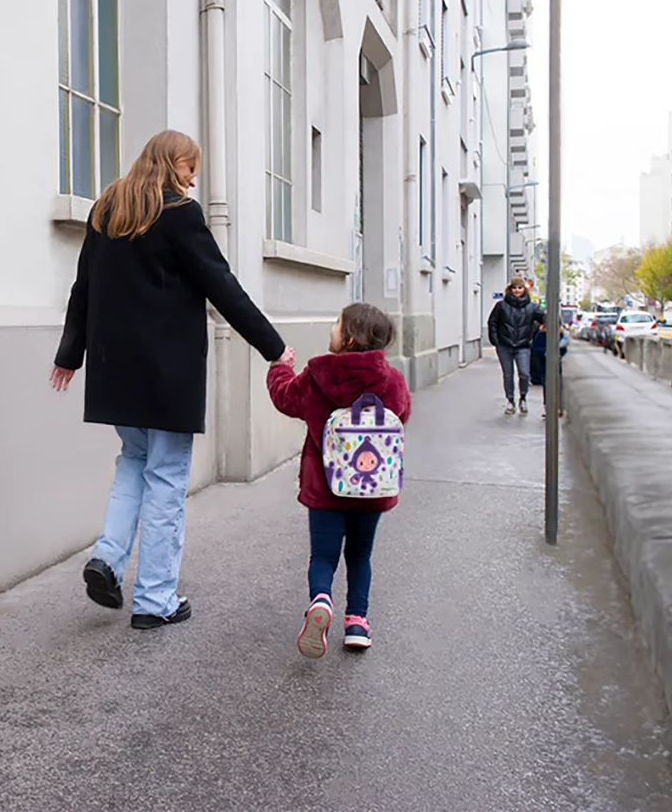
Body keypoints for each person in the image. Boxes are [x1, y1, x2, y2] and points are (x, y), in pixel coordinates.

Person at [51, 130, 287, 631]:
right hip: (167, 373)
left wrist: (70, 355)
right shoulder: (179, 213)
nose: (193, 177)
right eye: (188, 166)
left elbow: (83, 288)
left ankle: (109, 559)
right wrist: (273, 346)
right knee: (166, 479)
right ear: (170, 163)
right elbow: (221, 284)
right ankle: (155, 599)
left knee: (133, 462)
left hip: (116, 372)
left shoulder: (106, 211)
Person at [265, 303, 412, 658]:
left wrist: (279, 369)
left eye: (336, 323)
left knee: (323, 556)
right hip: (372, 487)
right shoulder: (391, 379)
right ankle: (357, 623)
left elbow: (286, 399)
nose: (331, 327)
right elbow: (402, 413)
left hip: (327, 488)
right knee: (360, 555)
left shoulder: (317, 375)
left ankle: (321, 600)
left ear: (347, 338)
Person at [487, 277, 545, 415]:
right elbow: (493, 322)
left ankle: (523, 398)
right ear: (510, 289)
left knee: (524, 374)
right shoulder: (501, 305)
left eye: (519, 288)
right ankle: (510, 401)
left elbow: (544, 318)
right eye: (514, 288)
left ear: (524, 289)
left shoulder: (532, 307)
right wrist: (495, 340)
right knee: (508, 375)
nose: (517, 290)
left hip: (523, 346)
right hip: (505, 345)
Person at [531, 322, 569, 419]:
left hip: (556, 364)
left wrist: (560, 353)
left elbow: (564, 349)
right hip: (544, 365)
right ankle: (547, 407)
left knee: (557, 385)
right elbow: (536, 348)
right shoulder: (541, 335)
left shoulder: (560, 334)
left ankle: (558, 408)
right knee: (547, 386)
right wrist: (545, 353)